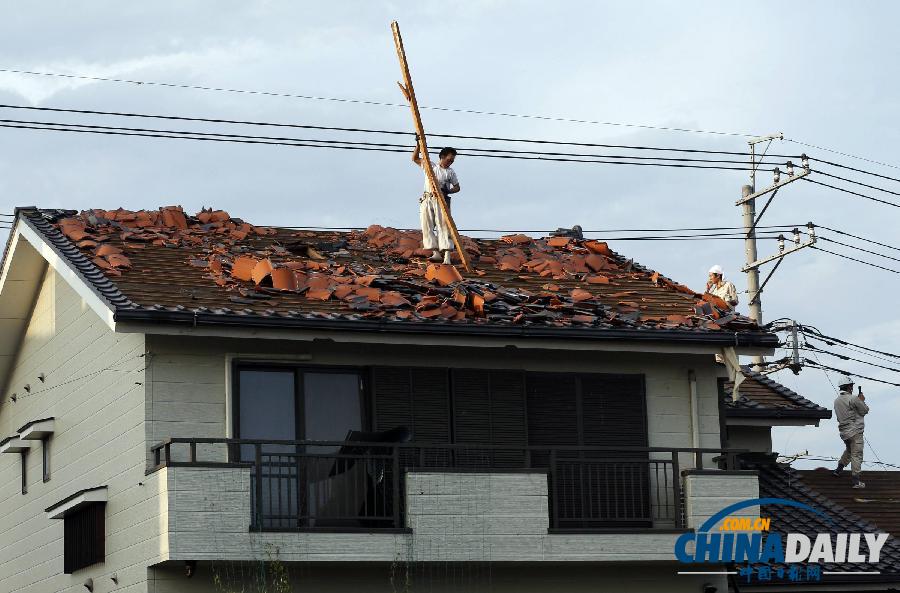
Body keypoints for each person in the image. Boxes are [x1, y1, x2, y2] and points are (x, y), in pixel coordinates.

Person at [412, 144, 460, 264]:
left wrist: (448, 190)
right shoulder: (430, 166)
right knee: (426, 225)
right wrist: (418, 145)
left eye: (452, 161)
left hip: (440, 199)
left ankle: (447, 256)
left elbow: (457, 187)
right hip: (427, 198)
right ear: (442, 157)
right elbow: (415, 158)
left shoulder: (450, 172)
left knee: (443, 225)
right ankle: (436, 253)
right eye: (449, 159)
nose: (450, 162)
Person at [832, 375, 869, 488]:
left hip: (844, 433)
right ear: (848, 387)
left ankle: (838, 469)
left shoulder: (837, 400)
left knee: (849, 450)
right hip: (855, 431)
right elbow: (865, 410)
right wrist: (861, 400)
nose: (852, 388)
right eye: (851, 386)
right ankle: (856, 481)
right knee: (857, 454)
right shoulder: (853, 398)